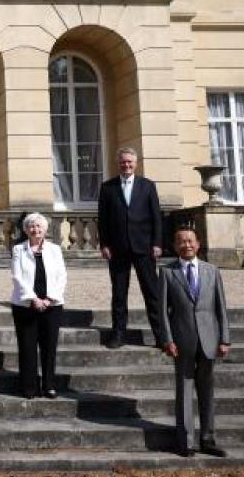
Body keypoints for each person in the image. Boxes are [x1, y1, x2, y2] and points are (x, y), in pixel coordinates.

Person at [157, 227, 231, 458]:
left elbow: (221, 307)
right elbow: (162, 311)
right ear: (175, 246)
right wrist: (167, 339)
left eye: (190, 241)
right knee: (184, 390)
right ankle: (185, 441)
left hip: (209, 339)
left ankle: (208, 439)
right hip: (182, 340)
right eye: (181, 241)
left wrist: (225, 339)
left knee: (207, 391)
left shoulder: (212, 271)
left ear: (198, 244)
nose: (186, 245)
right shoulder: (167, 272)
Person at [97, 146, 163, 348]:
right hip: (117, 248)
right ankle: (118, 334)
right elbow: (103, 219)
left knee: (152, 293)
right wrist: (104, 244)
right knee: (119, 294)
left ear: (136, 163)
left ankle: (161, 336)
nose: (126, 165)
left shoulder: (148, 186)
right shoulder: (107, 187)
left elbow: (156, 217)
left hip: (144, 247)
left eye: (129, 162)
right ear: (118, 163)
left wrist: (157, 243)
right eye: (123, 162)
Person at [9, 212, 67, 399]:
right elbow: (17, 276)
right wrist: (33, 299)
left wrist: (50, 298)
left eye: (39, 226)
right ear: (26, 230)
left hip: (52, 305)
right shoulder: (18, 249)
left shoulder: (55, 249)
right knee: (27, 347)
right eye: (31, 226)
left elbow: (61, 276)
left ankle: (49, 385)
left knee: (49, 347)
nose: (35, 229)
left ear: (45, 229)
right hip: (25, 305)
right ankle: (29, 387)